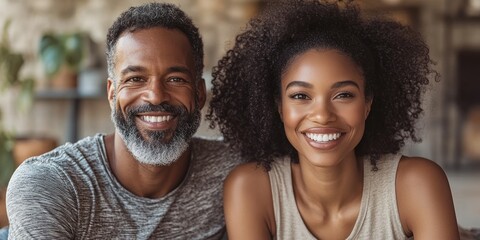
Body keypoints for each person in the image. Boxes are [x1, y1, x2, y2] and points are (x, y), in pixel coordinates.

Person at [207, 0, 460, 239]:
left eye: (344, 95)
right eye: (301, 95)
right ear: (279, 107)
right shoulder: (251, 190)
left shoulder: (416, 184)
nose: (322, 115)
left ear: (367, 104)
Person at [6, 2, 241, 239]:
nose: (156, 95)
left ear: (199, 93)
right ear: (112, 93)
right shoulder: (51, 184)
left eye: (176, 79)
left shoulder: (236, 170)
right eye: (136, 78)